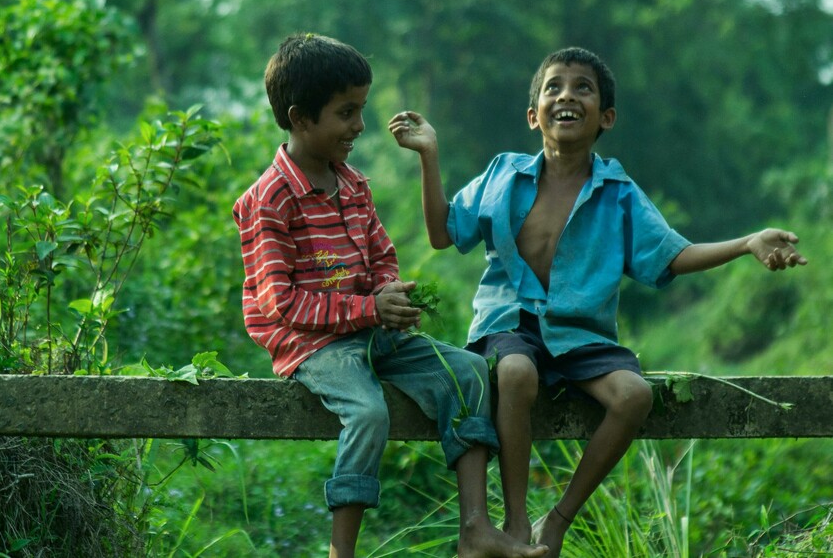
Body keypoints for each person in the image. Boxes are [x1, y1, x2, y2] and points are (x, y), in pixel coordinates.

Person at [388, 46, 807, 557]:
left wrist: (746, 243)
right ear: (533, 115)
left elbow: (673, 255)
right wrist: (429, 154)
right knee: (516, 372)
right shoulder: (503, 174)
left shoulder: (619, 192)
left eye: (582, 88)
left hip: (580, 333)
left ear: (606, 117)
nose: (567, 96)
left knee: (634, 395)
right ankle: (515, 522)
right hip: (510, 324)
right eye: (554, 87)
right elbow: (442, 232)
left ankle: (557, 519)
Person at [233, 33, 549, 558]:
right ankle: (342, 551)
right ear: (300, 118)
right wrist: (367, 308)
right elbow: (279, 304)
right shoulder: (269, 199)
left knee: (470, 371)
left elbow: (381, 254)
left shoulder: (354, 185)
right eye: (346, 113)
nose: (360, 125)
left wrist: (389, 293)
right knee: (369, 413)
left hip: (371, 330)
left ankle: (475, 528)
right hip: (312, 346)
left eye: (361, 109)